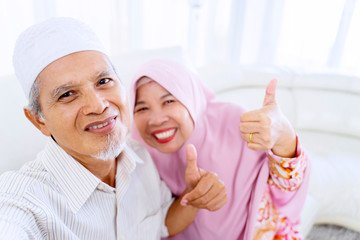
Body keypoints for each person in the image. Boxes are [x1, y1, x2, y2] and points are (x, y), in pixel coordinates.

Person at [0, 18, 226, 239]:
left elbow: (161, 226)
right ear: (39, 120)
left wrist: (194, 196)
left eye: (103, 81)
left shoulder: (141, 156)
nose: (98, 105)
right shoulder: (23, 198)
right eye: (67, 94)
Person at [130, 59, 311, 240]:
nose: (156, 120)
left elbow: (287, 188)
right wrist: (191, 197)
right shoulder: (140, 153)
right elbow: (153, 225)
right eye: (142, 108)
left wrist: (284, 137)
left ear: (190, 97)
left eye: (169, 101)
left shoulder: (233, 122)